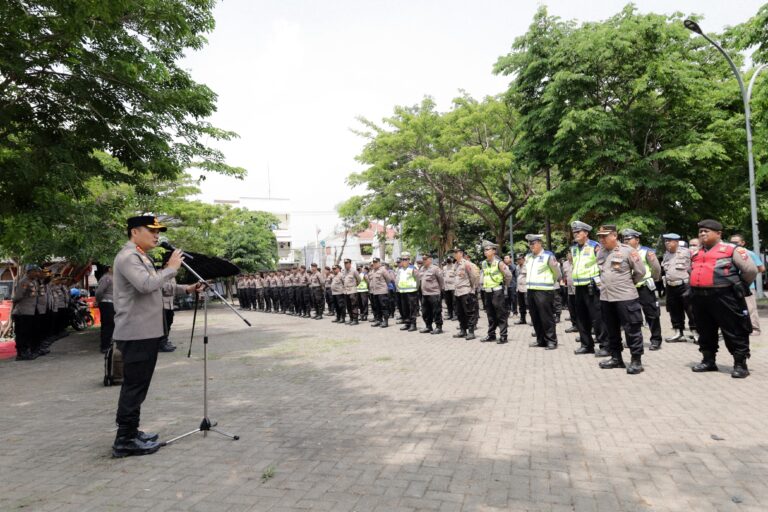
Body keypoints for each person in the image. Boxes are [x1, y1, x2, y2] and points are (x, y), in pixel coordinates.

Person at [111, 216, 201, 457]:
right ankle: (124, 440)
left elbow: (160, 287)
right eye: (151, 230)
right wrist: (171, 268)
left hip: (146, 331)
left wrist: (188, 288)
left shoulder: (140, 256)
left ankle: (131, 431)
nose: (156, 235)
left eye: (158, 231)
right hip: (136, 332)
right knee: (134, 385)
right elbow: (146, 285)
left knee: (139, 385)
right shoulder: (128, 256)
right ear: (134, 232)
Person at [690, 220, 757, 378]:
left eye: (707, 231)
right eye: (701, 231)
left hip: (725, 296)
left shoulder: (732, 250)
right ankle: (708, 360)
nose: (703, 234)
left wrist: (737, 285)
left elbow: (750, 270)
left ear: (719, 234)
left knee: (734, 330)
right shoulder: (696, 252)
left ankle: (740, 364)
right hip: (699, 297)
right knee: (704, 330)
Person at [595, 225, 648, 374]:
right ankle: (616, 358)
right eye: (600, 236)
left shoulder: (628, 251)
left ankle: (636, 360)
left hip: (625, 297)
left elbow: (640, 272)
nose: (601, 239)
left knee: (632, 329)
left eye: (604, 236)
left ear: (614, 236)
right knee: (611, 330)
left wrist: (627, 284)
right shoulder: (601, 253)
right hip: (606, 297)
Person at [570, 221, 609, 357]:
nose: (575, 234)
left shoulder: (595, 246)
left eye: (578, 232)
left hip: (592, 286)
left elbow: (603, 265)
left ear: (586, 233)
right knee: (581, 318)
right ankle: (586, 345)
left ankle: (605, 345)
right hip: (579, 286)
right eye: (574, 232)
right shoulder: (574, 248)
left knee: (597, 317)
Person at [622, 229, 663, 350]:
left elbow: (656, 268)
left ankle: (656, 340)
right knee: (631, 316)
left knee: (652, 314)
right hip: (629, 288)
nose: (626, 241)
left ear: (637, 240)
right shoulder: (622, 252)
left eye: (629, 239)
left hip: (644, 286)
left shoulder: (646, 251)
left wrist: (653, 279)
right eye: (624, 239)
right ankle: (632, 340)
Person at [524, 235, 562, 350]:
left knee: (546, 317)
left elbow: (557, 273)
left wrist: (550, 283)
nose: (531, 246)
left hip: (544, 291)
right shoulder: (528, 257)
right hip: (531, 290)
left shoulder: (548, 256)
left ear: (540, 243)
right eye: (530, 244)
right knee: (535, 317)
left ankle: (551, 341)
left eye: (534, 243)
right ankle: (540, 340)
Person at [661, 234, 697, 342]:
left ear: (676, 242)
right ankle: (678, 332)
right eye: (666, 241)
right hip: (671, 286)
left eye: (670, 241)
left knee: (691, 310)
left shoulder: (687, 252)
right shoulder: (666, 254)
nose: (667, 243)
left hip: (684, 285)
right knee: (674, 310)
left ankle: (696, 333)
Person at [729, 233, 764, 336]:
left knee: (750, 308)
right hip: (733, 286)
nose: (734, 244)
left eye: (736, 242)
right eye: (732, 242)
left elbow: (761, 268)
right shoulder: (729, 253)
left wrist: (747, 273)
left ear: (743, 243)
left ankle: (755, 329)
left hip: (747, 286)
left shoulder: (748, 253)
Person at [479, 241, 513, 344]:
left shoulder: (499, 263)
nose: (485, 251)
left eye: (488, 249)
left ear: (494, 251)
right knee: (490, 314)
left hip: (497, 291)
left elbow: (508, 275)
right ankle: (491, 335)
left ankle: (503, 336)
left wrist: (504, 286)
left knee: (501, 314)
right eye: (484, 250)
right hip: (487, 291)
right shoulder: (484, 263)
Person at [12, 264, 45, 360]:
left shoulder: (33, 282)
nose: (37, 273)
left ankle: (28, 351)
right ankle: (21, 353)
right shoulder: (24, 282)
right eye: (35, 271)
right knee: (22, 333)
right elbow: (18, 297)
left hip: (31, 311)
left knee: (28, 332)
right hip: (23, 312)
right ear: (29, 271)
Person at [452, 248, 479, 340]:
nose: (454, 254)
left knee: (469, 312)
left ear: (461, 253)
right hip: (457, 292)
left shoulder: (467, 264)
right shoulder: (455, 265)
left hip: (466, 291)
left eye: (456, 252)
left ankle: (471, 332)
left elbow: (473, 277)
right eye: (454, 252)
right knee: (460, 313)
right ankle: (463, 330)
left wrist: (471, 288)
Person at [418, 253, 445, 334]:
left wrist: (440, 291)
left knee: (436, 311)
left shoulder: (435, 268)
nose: (423, 260)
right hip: (424, 294)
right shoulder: (422, 268)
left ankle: (438, 327)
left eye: (425, 259)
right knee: (425, 312)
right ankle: (428, 326)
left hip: (434, 293)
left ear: (430, 259)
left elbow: (441, 280)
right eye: (423, 259)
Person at [396, 253, 419, 332]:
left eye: (406, 259)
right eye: (403, 259)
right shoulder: (400, 269)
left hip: (411, 292)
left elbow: (417, 280)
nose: (404, 261)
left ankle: (413, 324)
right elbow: (398, 280)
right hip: (402, 292)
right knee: (404, 308)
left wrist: (416, 288)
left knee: (412, 308)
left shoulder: (413, 268)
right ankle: (407, 323)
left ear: (409, 260)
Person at [96, 267, 115, 353]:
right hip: (106, 303)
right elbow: (99, 291)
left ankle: (108, 345)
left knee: (111, 325)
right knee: (108, 325)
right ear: (109, 269)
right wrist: (98, 300)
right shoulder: (106, 278)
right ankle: (105, 346)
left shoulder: (113, 277)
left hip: (112, 303)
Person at [562, 253, 580, 335]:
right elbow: (564, 275)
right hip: (569, 289)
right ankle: (574, 325)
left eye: (571, 254)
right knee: (571, 308)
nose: (569, 255)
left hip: (578, 289)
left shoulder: (577, 261)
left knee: (579, 308)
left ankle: (581, 326)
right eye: (568, 254)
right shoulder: (565, 264)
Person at [159, 274, 178, 352]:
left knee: (169, 322)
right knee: (164, 325)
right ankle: (161, 344)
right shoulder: (161, 273)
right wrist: (173, 288)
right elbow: (163, 288)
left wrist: (173, 288)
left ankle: (165, 340)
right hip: (163, 304)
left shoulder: (173, 276)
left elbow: (173, 289)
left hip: (170, 304)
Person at [342, 259, 361, 325]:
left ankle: (355, 320)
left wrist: (354, 286)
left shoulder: (354, 271)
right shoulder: (344, 271)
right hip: (346, 292)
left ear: (350, 263)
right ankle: (351, 318)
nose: (345, 264)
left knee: (354, 306)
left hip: (352, 291)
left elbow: (359, 280)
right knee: (348, 306)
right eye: (345, 263)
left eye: (347, 263)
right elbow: (343, 281)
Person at [515, 254, 527, 325]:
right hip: (519, 288)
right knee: (521, 305)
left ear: (523, 259)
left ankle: (533, 319)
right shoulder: (517, 267)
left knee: (529, 305)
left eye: (519, 259)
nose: (518, 260)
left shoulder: (527, 266)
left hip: (526, 288)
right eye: (517, 259)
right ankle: (522, 319)